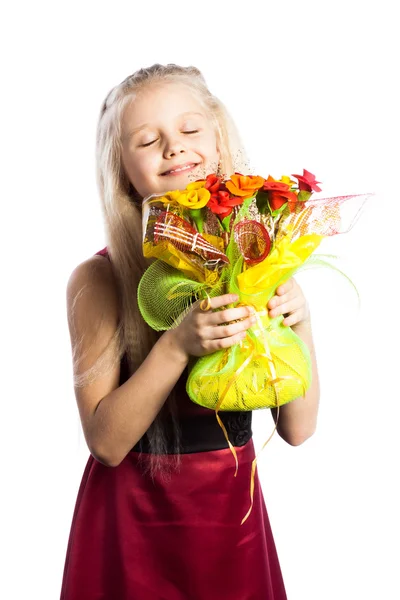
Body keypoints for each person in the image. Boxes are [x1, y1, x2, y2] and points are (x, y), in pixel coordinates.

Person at [60, 63, 320, 600]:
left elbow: (298, 428)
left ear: (220, 141)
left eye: (190, 130)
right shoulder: (99, 279)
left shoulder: (258, 263)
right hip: (132, 525)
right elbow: (106, 444)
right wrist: (177, 344)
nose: (174, 148)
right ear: (122, 169)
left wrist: (302, 320)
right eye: (149, 140)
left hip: (231, 520)